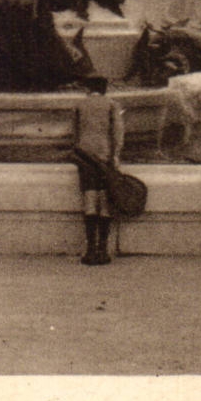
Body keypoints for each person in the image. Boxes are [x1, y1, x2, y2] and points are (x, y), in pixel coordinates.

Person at [71, 76, 126, 265]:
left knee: (89, 200)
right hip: (104, 158)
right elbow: (118, 132)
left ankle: (90, 250)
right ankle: (103, 250)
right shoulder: (112, 105)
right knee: (104, 203)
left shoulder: (79, 105)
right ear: (105, 89)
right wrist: (116, 155)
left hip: (84, 158)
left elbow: (75, 133)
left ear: (88, 89)